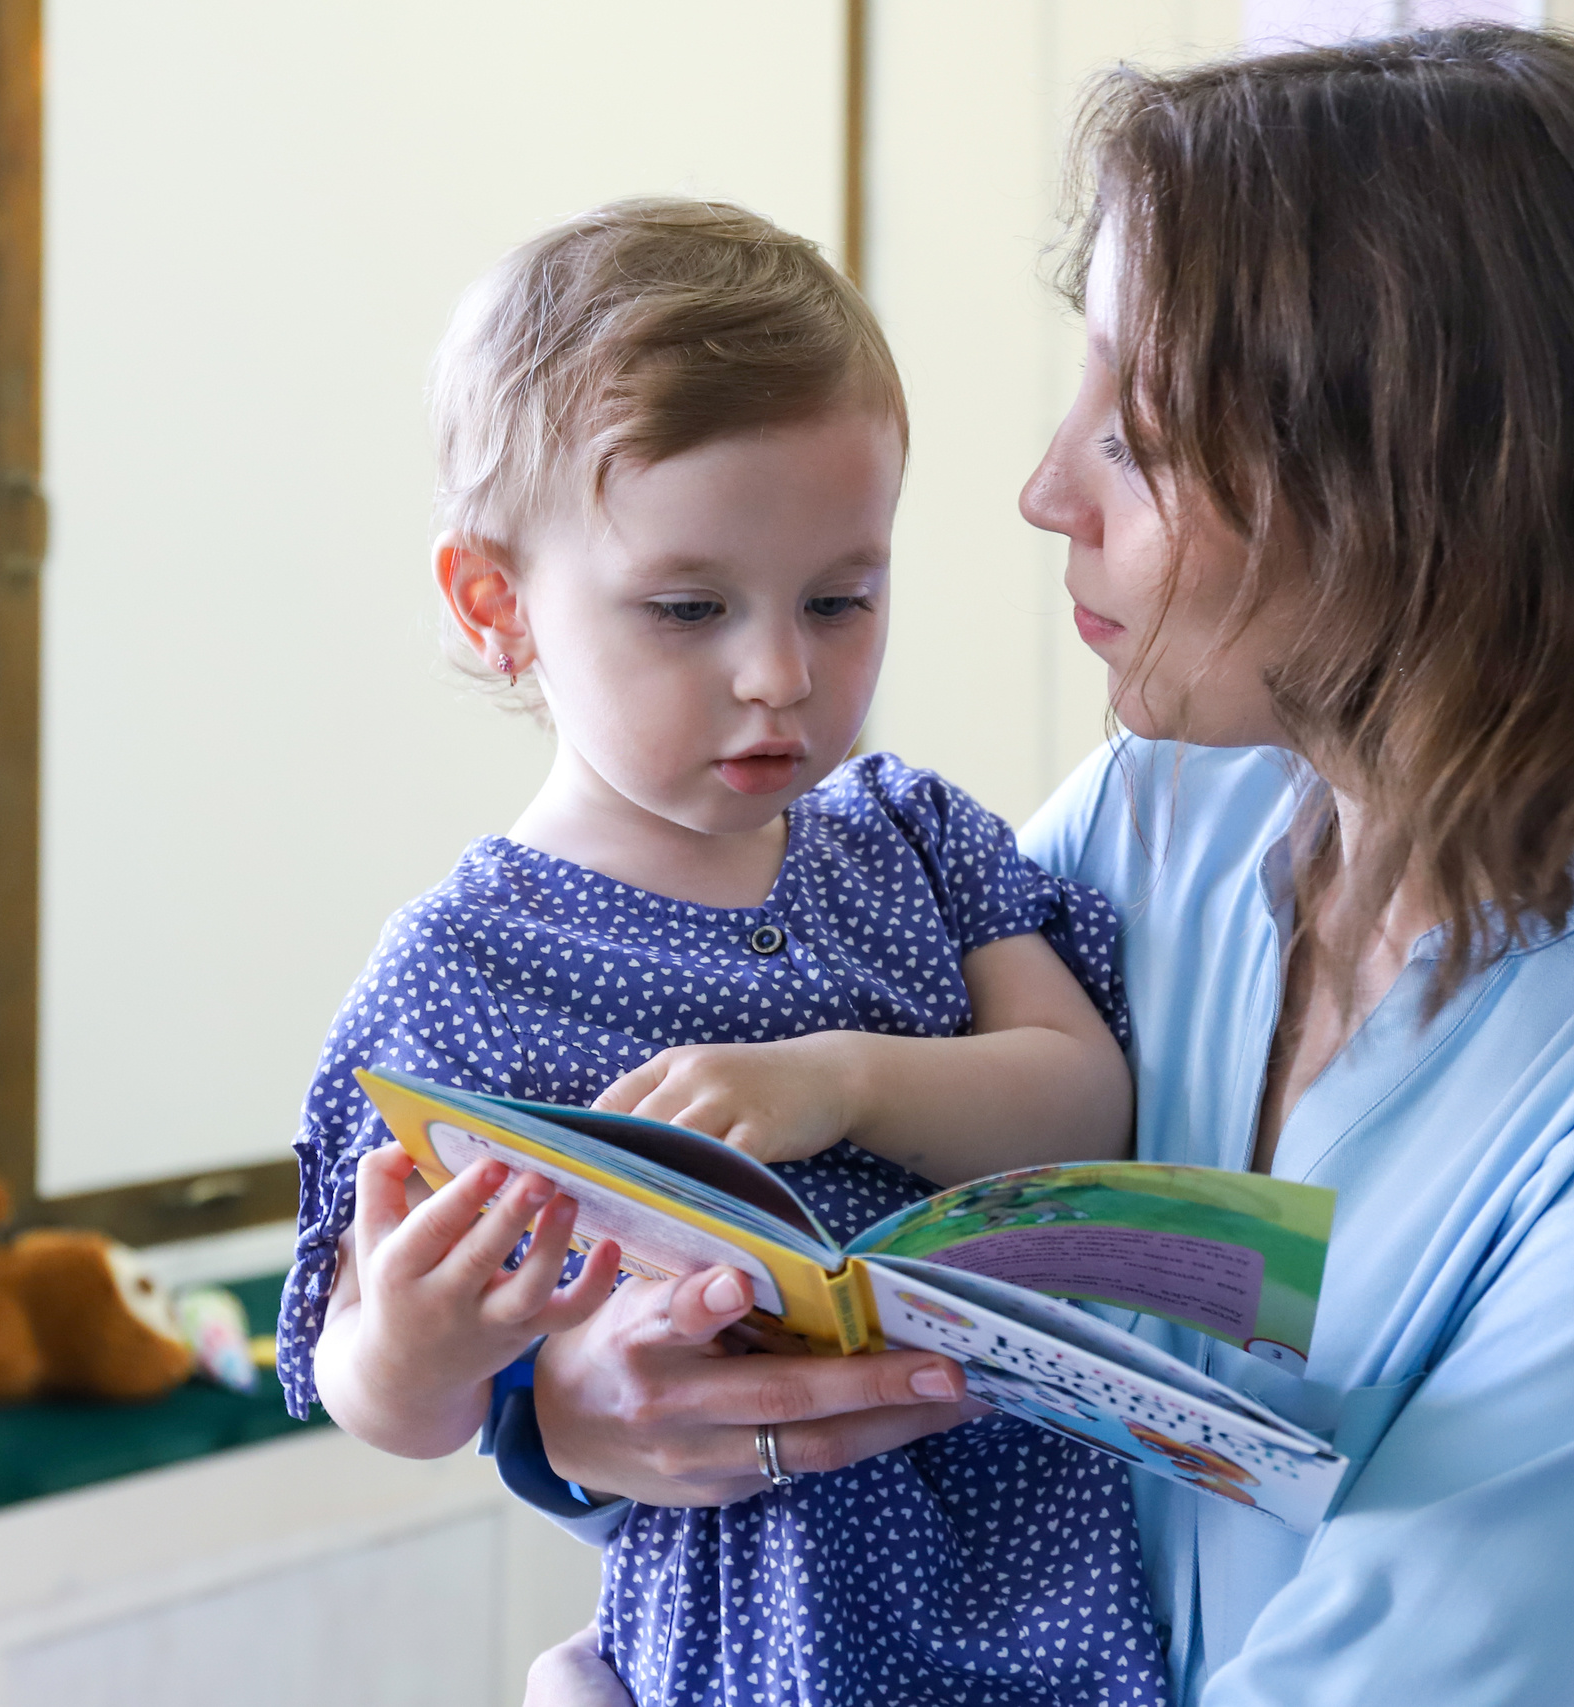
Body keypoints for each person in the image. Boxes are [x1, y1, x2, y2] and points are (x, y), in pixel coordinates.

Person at [511, 29, 1574, 1707]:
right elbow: (835, 1255)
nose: (1046, 489)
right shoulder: (1164, 813)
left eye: (1139, 431)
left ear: (1428, 475)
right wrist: (579, 1408)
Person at [272, 200, 1169, 1706]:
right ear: (499, 607)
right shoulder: (467, 971)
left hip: (1045, 1555)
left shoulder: (912, 835)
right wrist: (418, 1348)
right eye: (689, 609)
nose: (782, 676)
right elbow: (383, 1396)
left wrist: (843, 1084)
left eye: (843, 597)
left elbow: (1087, 1109)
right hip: (757, 1606)